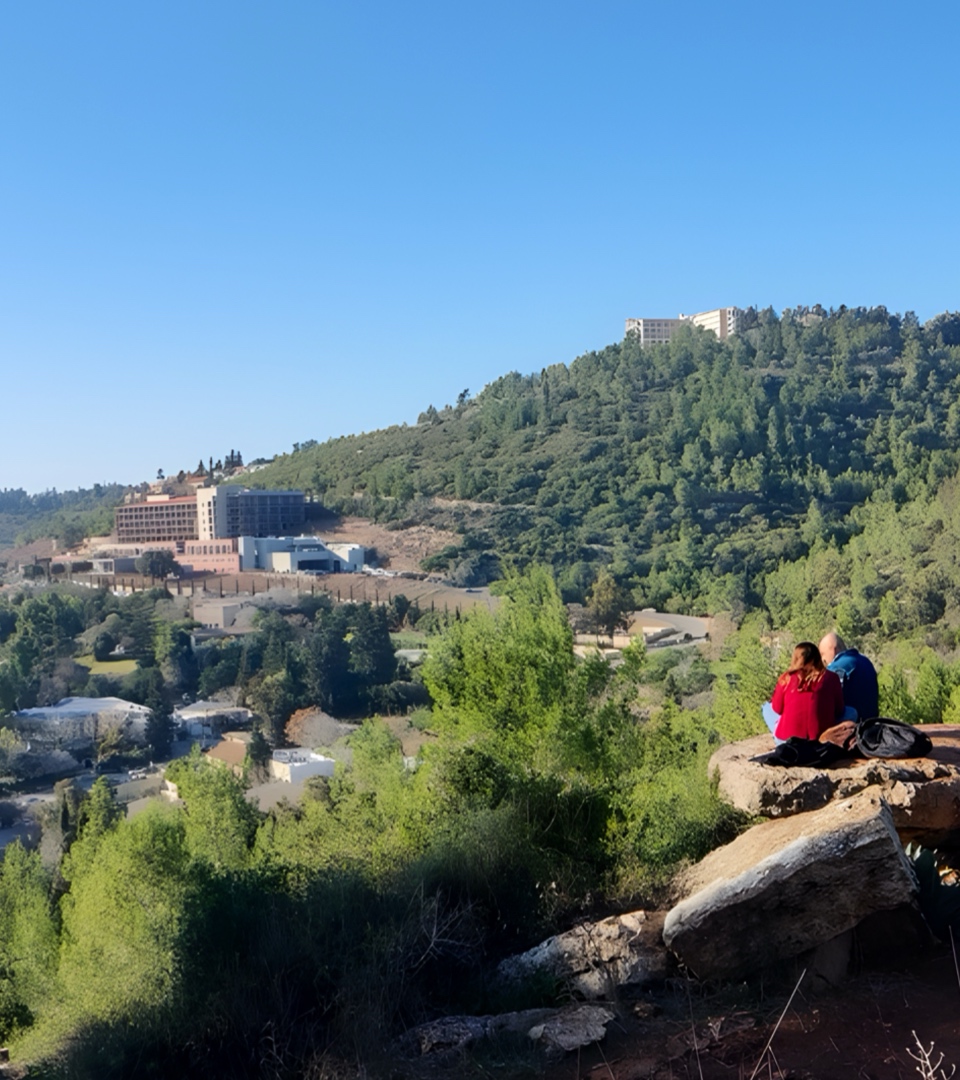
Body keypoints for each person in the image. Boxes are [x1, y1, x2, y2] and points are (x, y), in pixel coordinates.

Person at [762, 641, 845, 742]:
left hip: (788, 740)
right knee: (851, 712)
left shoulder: (786, 678)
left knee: (765, 707)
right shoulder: (832, 677)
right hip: (821, 738)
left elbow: (777, 709)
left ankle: (780, 734)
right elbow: (839, 709)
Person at [818, 632, 879, 721]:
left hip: (852, 723)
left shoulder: (835, 668)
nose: (822, 660)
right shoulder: (866, 662)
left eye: (822, 654)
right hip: (871, 721)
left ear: (833, 650)